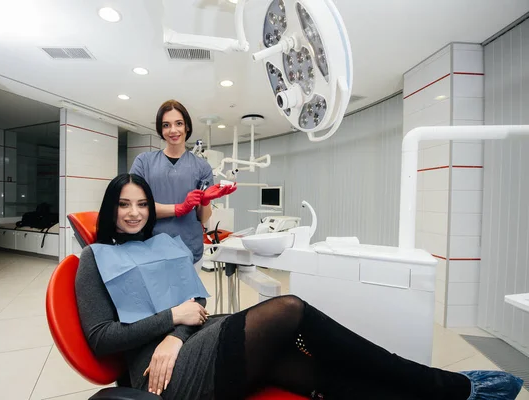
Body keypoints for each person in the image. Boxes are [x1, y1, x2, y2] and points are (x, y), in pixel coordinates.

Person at [75, 173, 524, 400]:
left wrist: (177, 332)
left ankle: (438, 394)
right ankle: (446, 385)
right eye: (123, 204)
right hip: (160, 377)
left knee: (311, 371)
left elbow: (195, 304)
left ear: (152, 208)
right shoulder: (94, 259)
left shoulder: (165, 245)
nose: (134, 212)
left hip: (188, 343)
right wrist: (171, 320)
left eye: (141, 204)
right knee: (286, 308)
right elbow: (100, 339)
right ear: (110, 208)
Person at [129, 99, 235, 270]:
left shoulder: (202, 167)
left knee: (189, 298)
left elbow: (203, 217)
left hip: (189, 249)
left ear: (187, 127)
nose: (173, 130)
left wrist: (205, 201)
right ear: (160, 129)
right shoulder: (144, 162)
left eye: (178, 123)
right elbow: (134, 207)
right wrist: (179, 208)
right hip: (151, 249)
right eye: (166, 125)